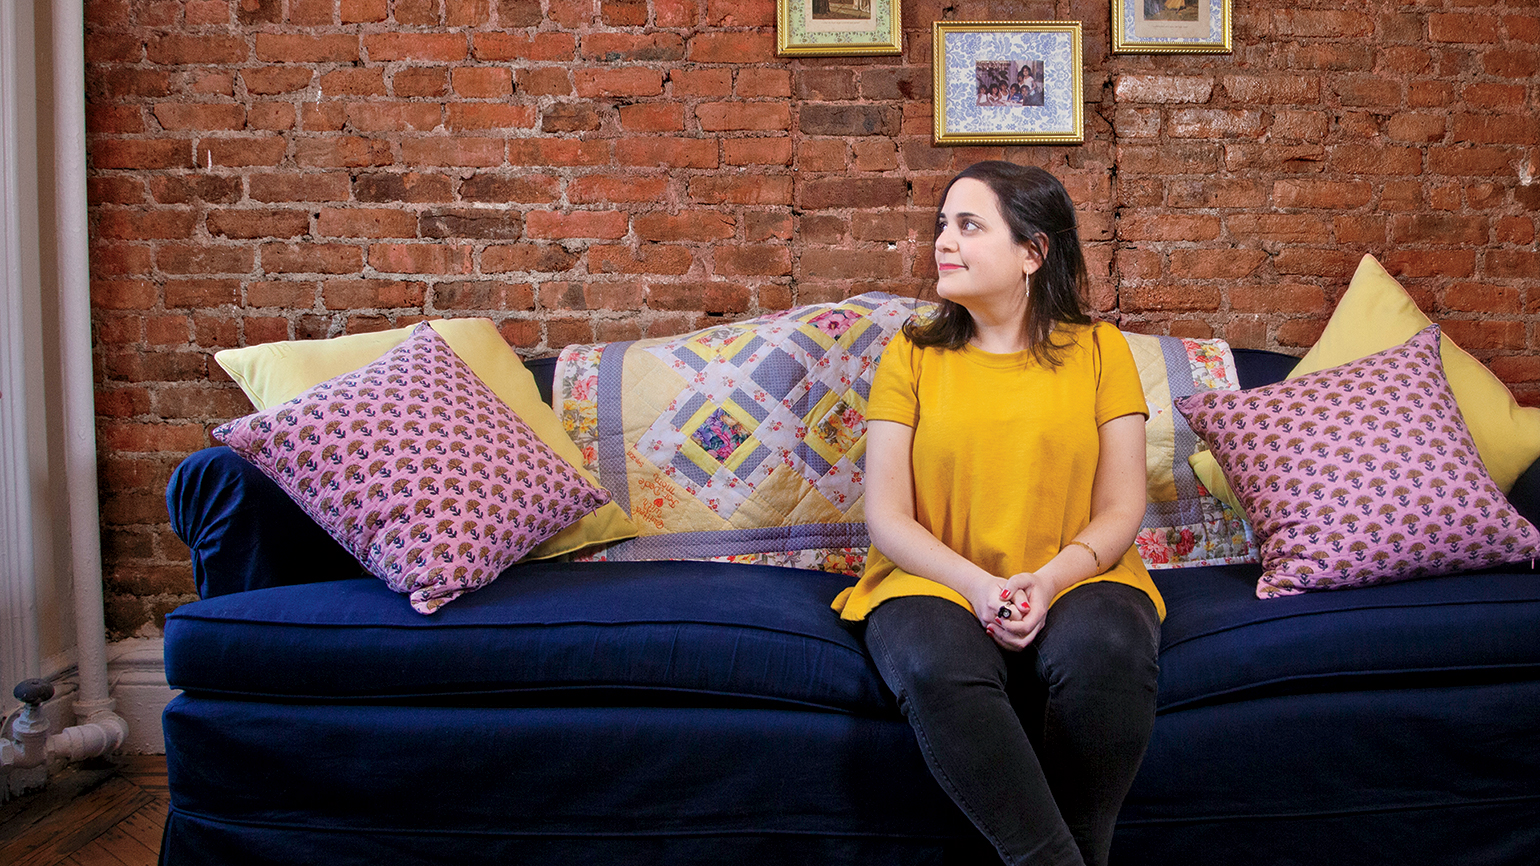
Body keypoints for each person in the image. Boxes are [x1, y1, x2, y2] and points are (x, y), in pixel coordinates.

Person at [832, 161, 1163, 866]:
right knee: (936, 665)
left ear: (1032, 252)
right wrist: (981, 587)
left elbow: (1121, 507)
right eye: (942, 225)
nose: (942, 242)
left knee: (1107, 649)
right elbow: (887, 517)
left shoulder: (1102, 351)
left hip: (1080, 575)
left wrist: (1046, 581)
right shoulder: (911, 354)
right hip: (930, 580)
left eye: (969, 225)